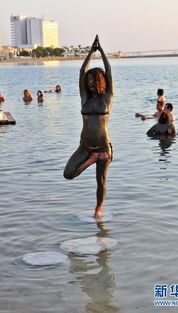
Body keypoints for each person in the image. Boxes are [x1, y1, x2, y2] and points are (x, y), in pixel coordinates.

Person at [63, 35, 114, 219]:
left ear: (100, 81)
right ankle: (92, 158)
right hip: (85, 146)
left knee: (101, 181)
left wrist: (101, 52)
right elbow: (81, 71)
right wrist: (91, 52)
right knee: (68, 174)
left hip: (103, 146)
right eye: (88, 81)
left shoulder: (107, 97)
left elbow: (108, 69)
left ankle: (97, 210)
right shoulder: (84, 97)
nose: (90, 83)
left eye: (93, 80)